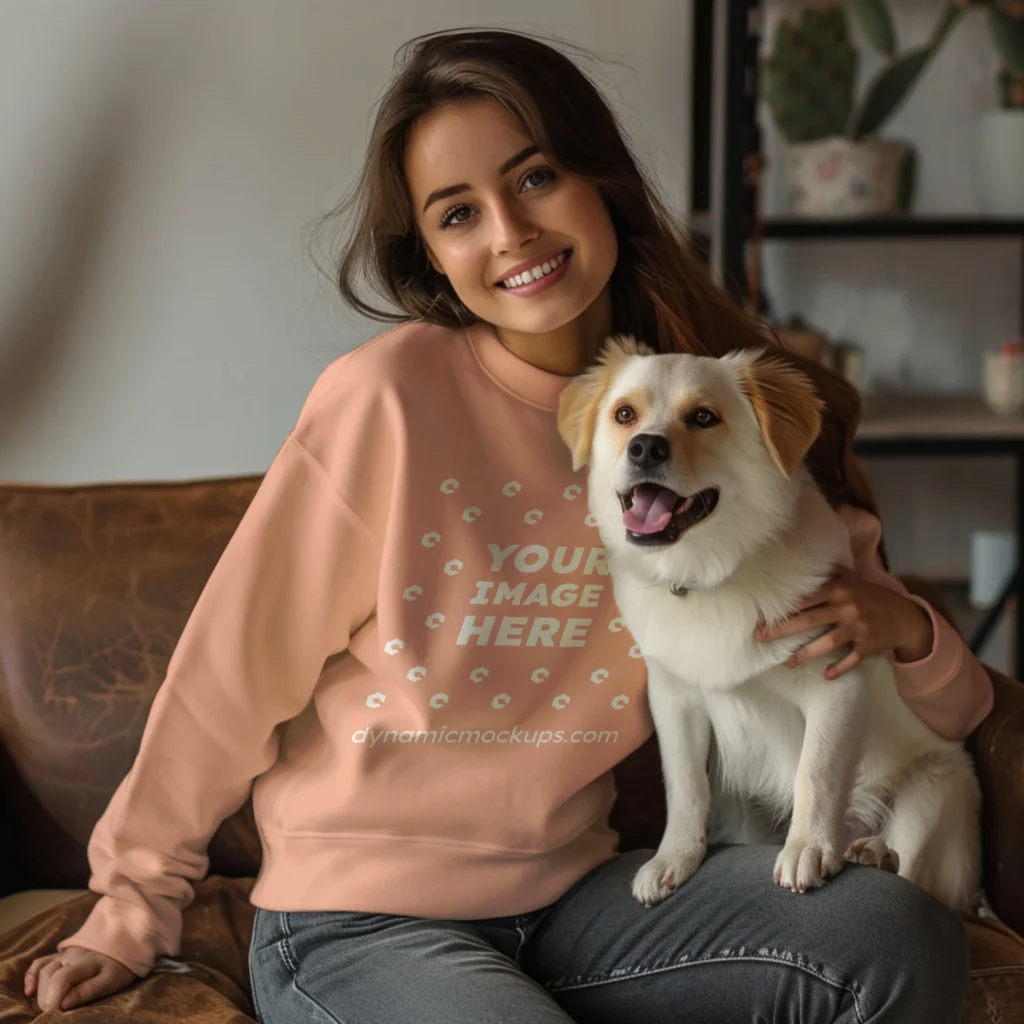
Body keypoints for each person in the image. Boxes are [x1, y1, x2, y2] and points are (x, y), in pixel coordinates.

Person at [24, 28, 992, 1023]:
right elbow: (228, 674)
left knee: (885, 934)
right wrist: (128, 907)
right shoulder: (386, 402)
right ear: (435, 259)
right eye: (458, 213)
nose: (510, 233)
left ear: (599, 178)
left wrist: (910, 633)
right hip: (358, 921)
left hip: (579, 900)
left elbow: (925, 702)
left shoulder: (710, 413)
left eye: (534, 178)